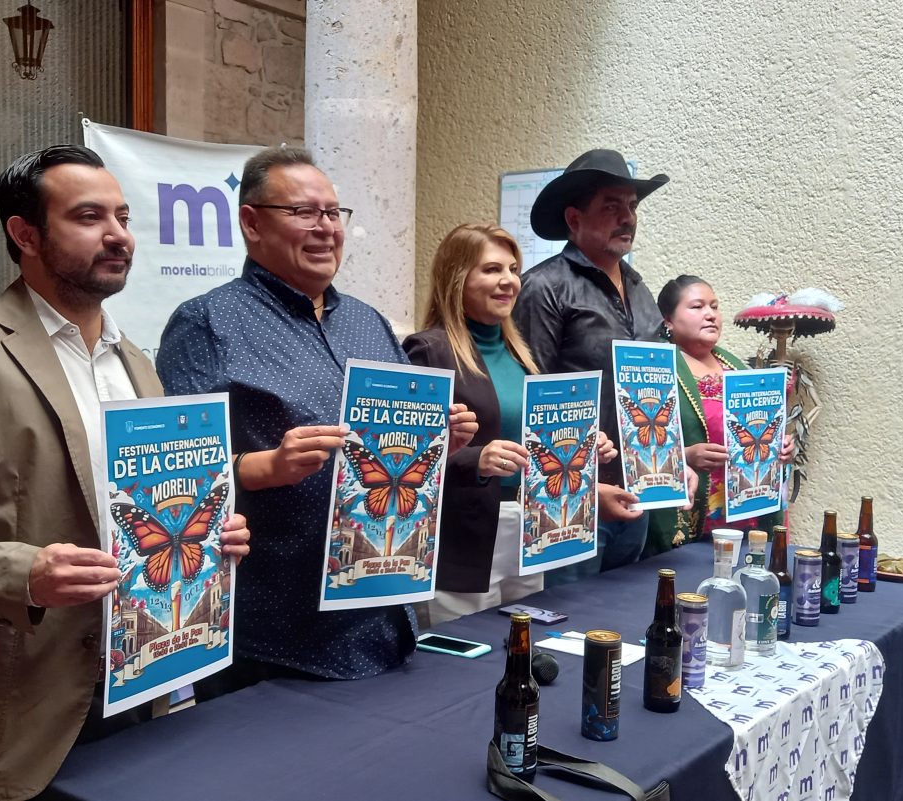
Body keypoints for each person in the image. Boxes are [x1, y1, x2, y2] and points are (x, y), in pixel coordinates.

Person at [0, 144, 251, 801]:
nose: (118, 235)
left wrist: (211, 536)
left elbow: (145, 509)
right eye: (89, 217)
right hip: (10, 702)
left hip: (135, 686)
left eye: (123, 216)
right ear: (25, 234)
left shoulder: (139, 366)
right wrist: (24, 573)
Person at [157, 147, 477, 695]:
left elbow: (395, 457)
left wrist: (436, 443)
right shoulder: (207, 322)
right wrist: (266, 467)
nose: (326, 228)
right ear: (252, 223)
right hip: (275, 635)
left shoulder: (368, 322)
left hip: (384, 611)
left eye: (333, 213)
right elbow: (173, 484)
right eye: (304, 212)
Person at [403, 224, 616, 626]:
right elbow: (403, 459)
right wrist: (475, 459)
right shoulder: (428, 350)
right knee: (466, 653)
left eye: (513, 269)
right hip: (462, 538)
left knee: (524, 644)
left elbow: (535, 439)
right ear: (456, 278)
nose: (509, 281)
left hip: (530, 528)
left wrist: (585, 448)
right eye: (491, 269)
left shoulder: (524, 355)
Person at [513, 148, 674, 575]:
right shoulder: (543, 287)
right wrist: (588, 487)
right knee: (569, 615)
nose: (628, 217)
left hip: (639, 492)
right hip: (570, 502)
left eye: (632, 206)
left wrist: (678, 461)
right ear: (574, 219)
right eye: (611, 206)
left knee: (625, 611)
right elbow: (532, 397)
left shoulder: (640, 290)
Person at [646, 275, 793, 556]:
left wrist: (780, 446)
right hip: (692, 515)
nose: (711, 314)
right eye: (697, 307)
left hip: (746, 512)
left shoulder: (736, 368)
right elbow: (635, 445)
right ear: (668, 320)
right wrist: (684, 455)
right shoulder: (655, 371)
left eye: (714, 306)